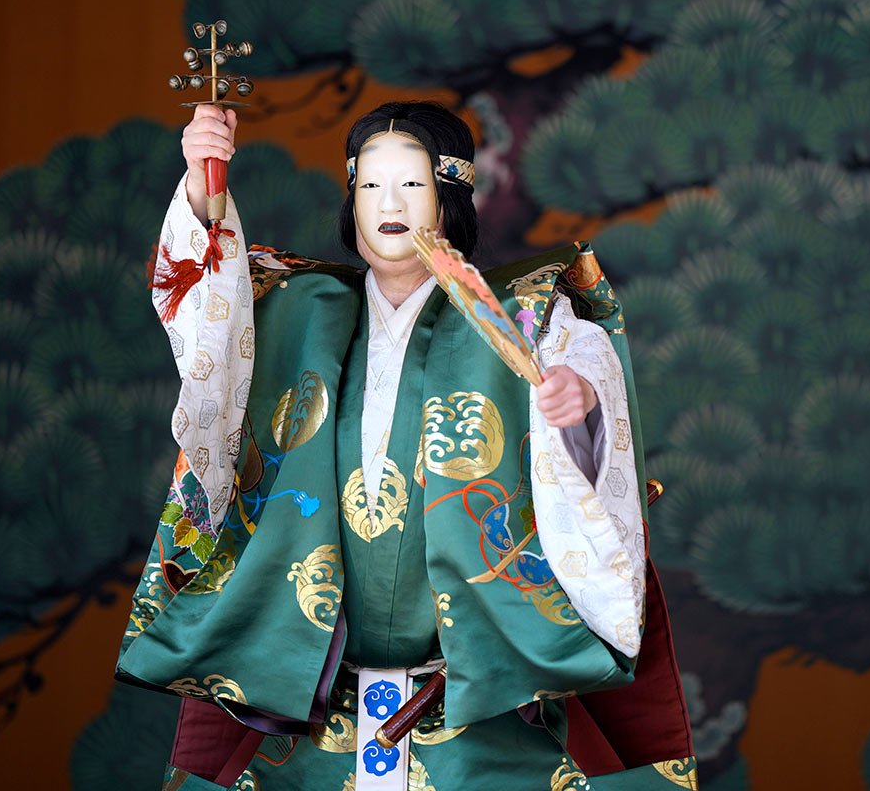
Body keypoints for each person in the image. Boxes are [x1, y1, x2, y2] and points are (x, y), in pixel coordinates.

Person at [117, 102, 694, 790]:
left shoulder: (525, 311)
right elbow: (208, 312)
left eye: (412, 186)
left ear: (450, 197)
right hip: (319, 713)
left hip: (475, 713)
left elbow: (584, 364)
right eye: (370, 186)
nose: (389, 205)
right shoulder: (293, 310)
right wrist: (202, 194)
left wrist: (579, 402)